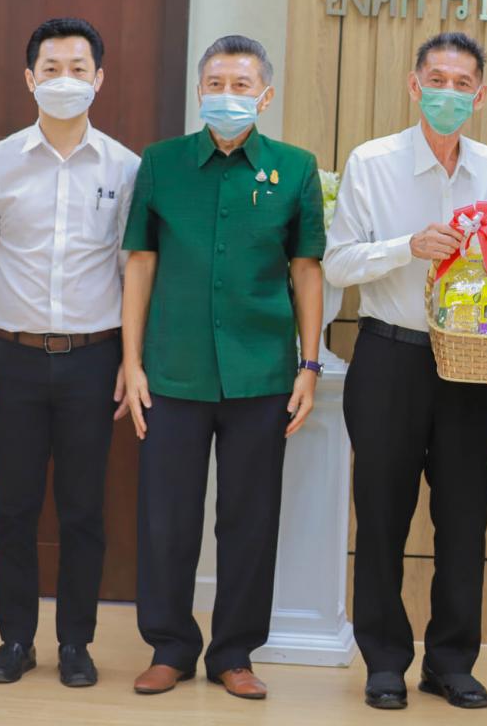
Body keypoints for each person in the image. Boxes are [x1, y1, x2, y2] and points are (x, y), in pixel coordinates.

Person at [122, 35, 325, 700]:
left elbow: (306, 270)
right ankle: (170, 646)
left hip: (261, 376)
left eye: (241, 85)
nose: (227, 95)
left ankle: (234, 652)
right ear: (199, 91)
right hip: (173, 372)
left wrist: (309, 365)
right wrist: (132, 362)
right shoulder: (162, 163)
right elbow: (141, 263)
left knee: (250, 520)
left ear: (265, 96)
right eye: (216, 83)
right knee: (167, 518)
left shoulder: (295, 168)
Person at [323, 32, 487, 711]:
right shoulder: (371, 161)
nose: (449, 93)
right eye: (437, 80)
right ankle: (384, 661)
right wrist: (406, 247)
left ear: (480, 96)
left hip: (470, 360)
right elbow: (337, 263)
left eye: (463, 84)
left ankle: (450, 662)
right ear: (415, 86)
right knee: (382, 513)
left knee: (464, 519)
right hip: (390, 354)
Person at [0, 17, 138, 688]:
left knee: (83, 510)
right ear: (29, 79)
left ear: (99, 79)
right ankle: (15, 639)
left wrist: (131, 359)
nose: (64, 80)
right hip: (9, 359)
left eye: (77, 68)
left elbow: (132, 274)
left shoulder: (125, 167)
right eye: (51, 68)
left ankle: (76, 642)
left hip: (92, 361)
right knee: (12, 509)